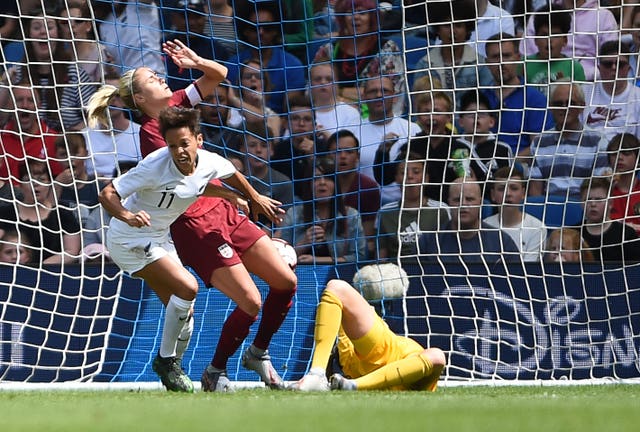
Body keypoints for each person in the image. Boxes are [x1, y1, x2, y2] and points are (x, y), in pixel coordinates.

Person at [87, 39, 298, 392]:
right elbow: (191, 182)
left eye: (157, 73)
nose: (160, 77)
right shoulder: (154, 138)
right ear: (139, 100)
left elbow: (219, 75)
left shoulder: (178, 106)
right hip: (192, 223)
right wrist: (235, 194)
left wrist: (195, 60)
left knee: (286, 282)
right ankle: (210, 371)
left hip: (224, 213)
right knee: (234, 299)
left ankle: (257, 353)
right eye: (151, 78)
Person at [98, 106, 254, 393]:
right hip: (128, 239)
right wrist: (128, 216)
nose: (179, 151)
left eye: (184, 143)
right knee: (188, 286)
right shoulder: (153, 166)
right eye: (172, 146)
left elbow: (193, 186)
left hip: (158, 239)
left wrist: (232, 195)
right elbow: (107, 193)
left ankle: (173, 369)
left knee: (185, 312)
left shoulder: (208, 162)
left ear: (198, 140)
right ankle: (165, 360)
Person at [289, 278, 446, 391]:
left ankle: (320, 376)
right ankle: (318, 375)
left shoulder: (345, 347)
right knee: (437, 356)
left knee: (337, 287)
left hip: (388, 359)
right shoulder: (346, 353)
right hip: (386, 356)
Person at [312, 0, 404, 113]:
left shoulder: (388, 49)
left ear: (372, 18)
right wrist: (349, 94)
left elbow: (392, 96)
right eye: (350, 13)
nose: (355, 17)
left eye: (362, 13)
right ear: (342, 19)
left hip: (374, 121)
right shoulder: (328, 50)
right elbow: (310, 91)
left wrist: (337, 92)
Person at [528, 80, 609, 201]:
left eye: (571, 103)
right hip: (549, 209)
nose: (565, 108)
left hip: (584, 209)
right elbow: (535, 189)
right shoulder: (539, 142)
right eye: (559, 103)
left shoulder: (597, 141)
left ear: (581, 106)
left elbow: (598, 187)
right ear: (551, 107)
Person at [276, 157, 366, 264]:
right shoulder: (293, 214)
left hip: (340, 277)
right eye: (316, 178)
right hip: (301, 276)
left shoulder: (351, 216)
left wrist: (318, 260)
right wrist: (304, 243)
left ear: (335, 184)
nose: (322, 182)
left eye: (328, 178)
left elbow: (360, 257)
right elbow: (281, 258)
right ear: (309, 184)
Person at [418, 177, 520, 267]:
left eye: (470, 199)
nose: (463, 204)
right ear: (449, 203)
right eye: (457, 200)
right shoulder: (428, 242)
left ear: (480, 202)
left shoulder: (502, 242)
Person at [482, 32, 553, 159]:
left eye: (507, 56)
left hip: (520, 170)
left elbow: (539, 146)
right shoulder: (479, 97)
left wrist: (508, 164)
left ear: (518, 57)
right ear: (487, 62)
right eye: (495, 57)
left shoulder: (535, 99)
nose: (501, 62)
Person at [227, 1, 306, 114]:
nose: (261, 32)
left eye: (268, 28)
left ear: (276, 31)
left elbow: (290, 113)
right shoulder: (232, 66)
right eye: (254, 28)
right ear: (245, 31)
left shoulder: (292, 66)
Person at [413, 1, 493, 110]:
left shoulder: (480, 64)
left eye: (458, 25)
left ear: (467, 29)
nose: (452, 31)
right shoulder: (424, 65)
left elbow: (487, 104)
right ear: (438, 30)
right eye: (447, 25)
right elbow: (417, 107)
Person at [0, 158, 81, 265]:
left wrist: (43, 268)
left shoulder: (63, 214)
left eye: (41, 179)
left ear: (49, 183)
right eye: (29, 179)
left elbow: (72, 251)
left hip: (52, 274)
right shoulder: (6, 213)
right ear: (20, 185)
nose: (35, 184)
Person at [358, 75, 421, 204]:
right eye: (372, 91)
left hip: (403, 207)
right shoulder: (354, 132)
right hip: (365, 207)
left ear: (395, 97)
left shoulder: (413, 130)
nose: (379, 95)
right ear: (363, 97)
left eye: (385, 91)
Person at [520, 0, 619, 81]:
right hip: (541, 79)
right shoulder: (542, 15)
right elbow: (526, 57)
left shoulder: (604, 16)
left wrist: (577, 74)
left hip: (591, 84)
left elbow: (610, 62)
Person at [377, 152, 450, 261]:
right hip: (396, 273)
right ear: (397, 178)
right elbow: (381, 255)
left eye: (416, 172)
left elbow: (449, 250)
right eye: (403, 172)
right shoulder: (385, 212)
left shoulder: (441, 210)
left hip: (431, 272)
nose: (410, 176)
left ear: (426, 178)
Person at [326, 129, 380, 258]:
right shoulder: (319, 184)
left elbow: (368, 235)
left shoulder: (368, 187)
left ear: (358, 156)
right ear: (328, 156)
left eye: (349, 152)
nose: (343, 156)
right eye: (337, 152)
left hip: (356, 249)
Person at [0, 80, 62, 185]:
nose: (25, 105)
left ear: (39, 105)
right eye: (19, 100)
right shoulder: (1, 138)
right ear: (10, 105)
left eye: (30, 100)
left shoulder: (53, 139)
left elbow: (59, 181)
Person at [82, 73, 142, 181]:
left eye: (117, 95)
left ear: (125, 100)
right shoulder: (84, 136)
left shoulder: (141, 134)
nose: (112, 100)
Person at [483, 166, 546, 262]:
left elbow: (528, 269)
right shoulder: (483, 226)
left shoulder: (537, 228)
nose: (508, 193)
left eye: (514, 188)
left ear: (523, 193)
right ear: (493, 195)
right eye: (501, 189)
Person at [581, 40, 640, 143]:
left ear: (628, 68)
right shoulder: (583, 92)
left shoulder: (638, 97)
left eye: (620, 64)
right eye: (608, 64)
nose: (614, 68)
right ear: (599, 68)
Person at [163, 0, 229, 91]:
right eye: (185, 17)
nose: (192, 22)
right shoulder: (163, 46)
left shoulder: (216, 50)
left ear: (205, 17)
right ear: (173, 18)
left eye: (197, 16)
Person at [454, 89, 513, 186]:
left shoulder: (503, 149)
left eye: (481, 114)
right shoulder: (452, 146)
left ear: (491, 122)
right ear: (460, 122)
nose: (476, 118)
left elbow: (506, 184)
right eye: (470, 114)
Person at [523, 5, 586, 91]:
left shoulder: (574, 68)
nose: (549, 40)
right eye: (544, 35)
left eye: (555, 35)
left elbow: (581, 99)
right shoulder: (524, 65)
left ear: (565, 40)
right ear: (535, 39)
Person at [579, 177, 640, 264]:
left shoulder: (626, 234)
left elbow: (634, 272)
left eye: (599, 199)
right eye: (588, 199)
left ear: (610, 203)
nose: (593, 204)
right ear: (581, 203)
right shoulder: (573, 234)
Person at [94, 0, 165, 74]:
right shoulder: (104, 24)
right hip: (126, 81)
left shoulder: (142, 7)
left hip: (153, 76)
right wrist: (110, 68)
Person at [308, 61, 361, 141]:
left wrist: (328, 137)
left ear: (337, 83)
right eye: (318, 79)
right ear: (310, 83)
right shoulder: (302, 111)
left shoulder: (350, 113)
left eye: (329, 79)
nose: (323, 82)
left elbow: (352, 148)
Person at [606, 133, 640, 234]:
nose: (619, 157)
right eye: (614, 154)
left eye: (626, 153)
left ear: (638, 160)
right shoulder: (603, 191)